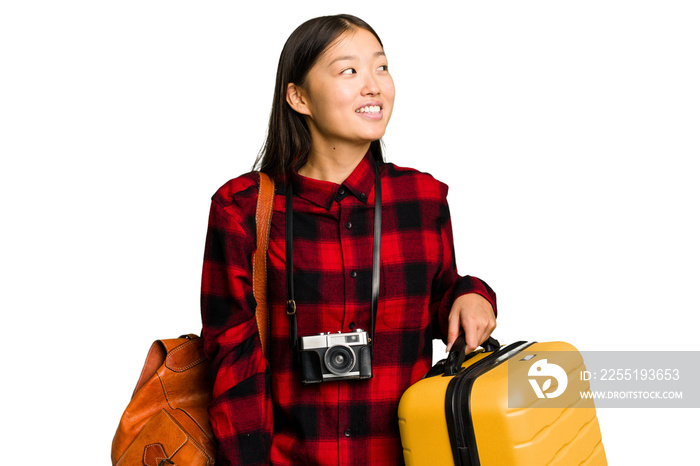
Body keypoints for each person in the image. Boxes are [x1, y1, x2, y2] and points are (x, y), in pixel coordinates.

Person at [200, 14, 497, 465]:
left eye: (381, 67)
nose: (373, 85)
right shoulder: (243, 208)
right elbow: (231, 360)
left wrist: (472, 295)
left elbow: (440, 301)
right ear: (298, 97)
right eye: (349, 71)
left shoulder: (422, 198)